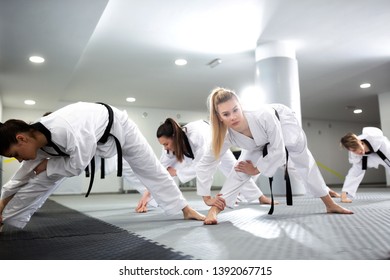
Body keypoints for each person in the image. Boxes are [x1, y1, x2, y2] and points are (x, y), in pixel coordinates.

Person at [0, 102, 205, 229]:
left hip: (120, 128)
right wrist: (2, 204)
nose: (18, 159)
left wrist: (48, 166)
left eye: (16, 154)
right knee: (41, 175)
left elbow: (77, 166)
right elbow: (21, 176)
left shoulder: (69, 131)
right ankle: (6, 217)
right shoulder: (37, 139)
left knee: (150, 167)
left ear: (21, 139)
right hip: (96, 139)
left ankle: (185, 208)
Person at [197, 87, 353, 225]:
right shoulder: (224, 134)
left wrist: (257, 169)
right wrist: (206, 197)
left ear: (241, 106)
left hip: (284, 125)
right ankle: (215, 209)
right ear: (219, 117)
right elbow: (207, 162)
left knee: (302, 162)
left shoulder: (262, 115)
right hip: (257, 143)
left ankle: (329, 203)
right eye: (226, 114)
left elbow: (277, 149)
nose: (233, 117)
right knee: (240, 168)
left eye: (235, 110)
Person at [138, 118, 274, 212]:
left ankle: (260, 197)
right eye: (163, 145)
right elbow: (160, 170)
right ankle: (259, 197)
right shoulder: (169, 148)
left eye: (166, 144)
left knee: (235, 167)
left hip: (215, 141)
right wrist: (147, 194)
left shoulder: (197, 135)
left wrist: (178, 173)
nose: (165, 148)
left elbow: (203, 166)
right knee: (234, 167)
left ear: (174, 136)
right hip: (207, 148)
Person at [339, 127, 390, 203]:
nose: (357, 151)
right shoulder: (354, 153)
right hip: (367, 157)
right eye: (353, 150)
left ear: (360, 141)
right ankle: (347, 194)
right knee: (357, 171)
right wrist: (344, 194)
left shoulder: (375, 139)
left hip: (382, 150)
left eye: (357, 148)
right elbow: (354, 174)